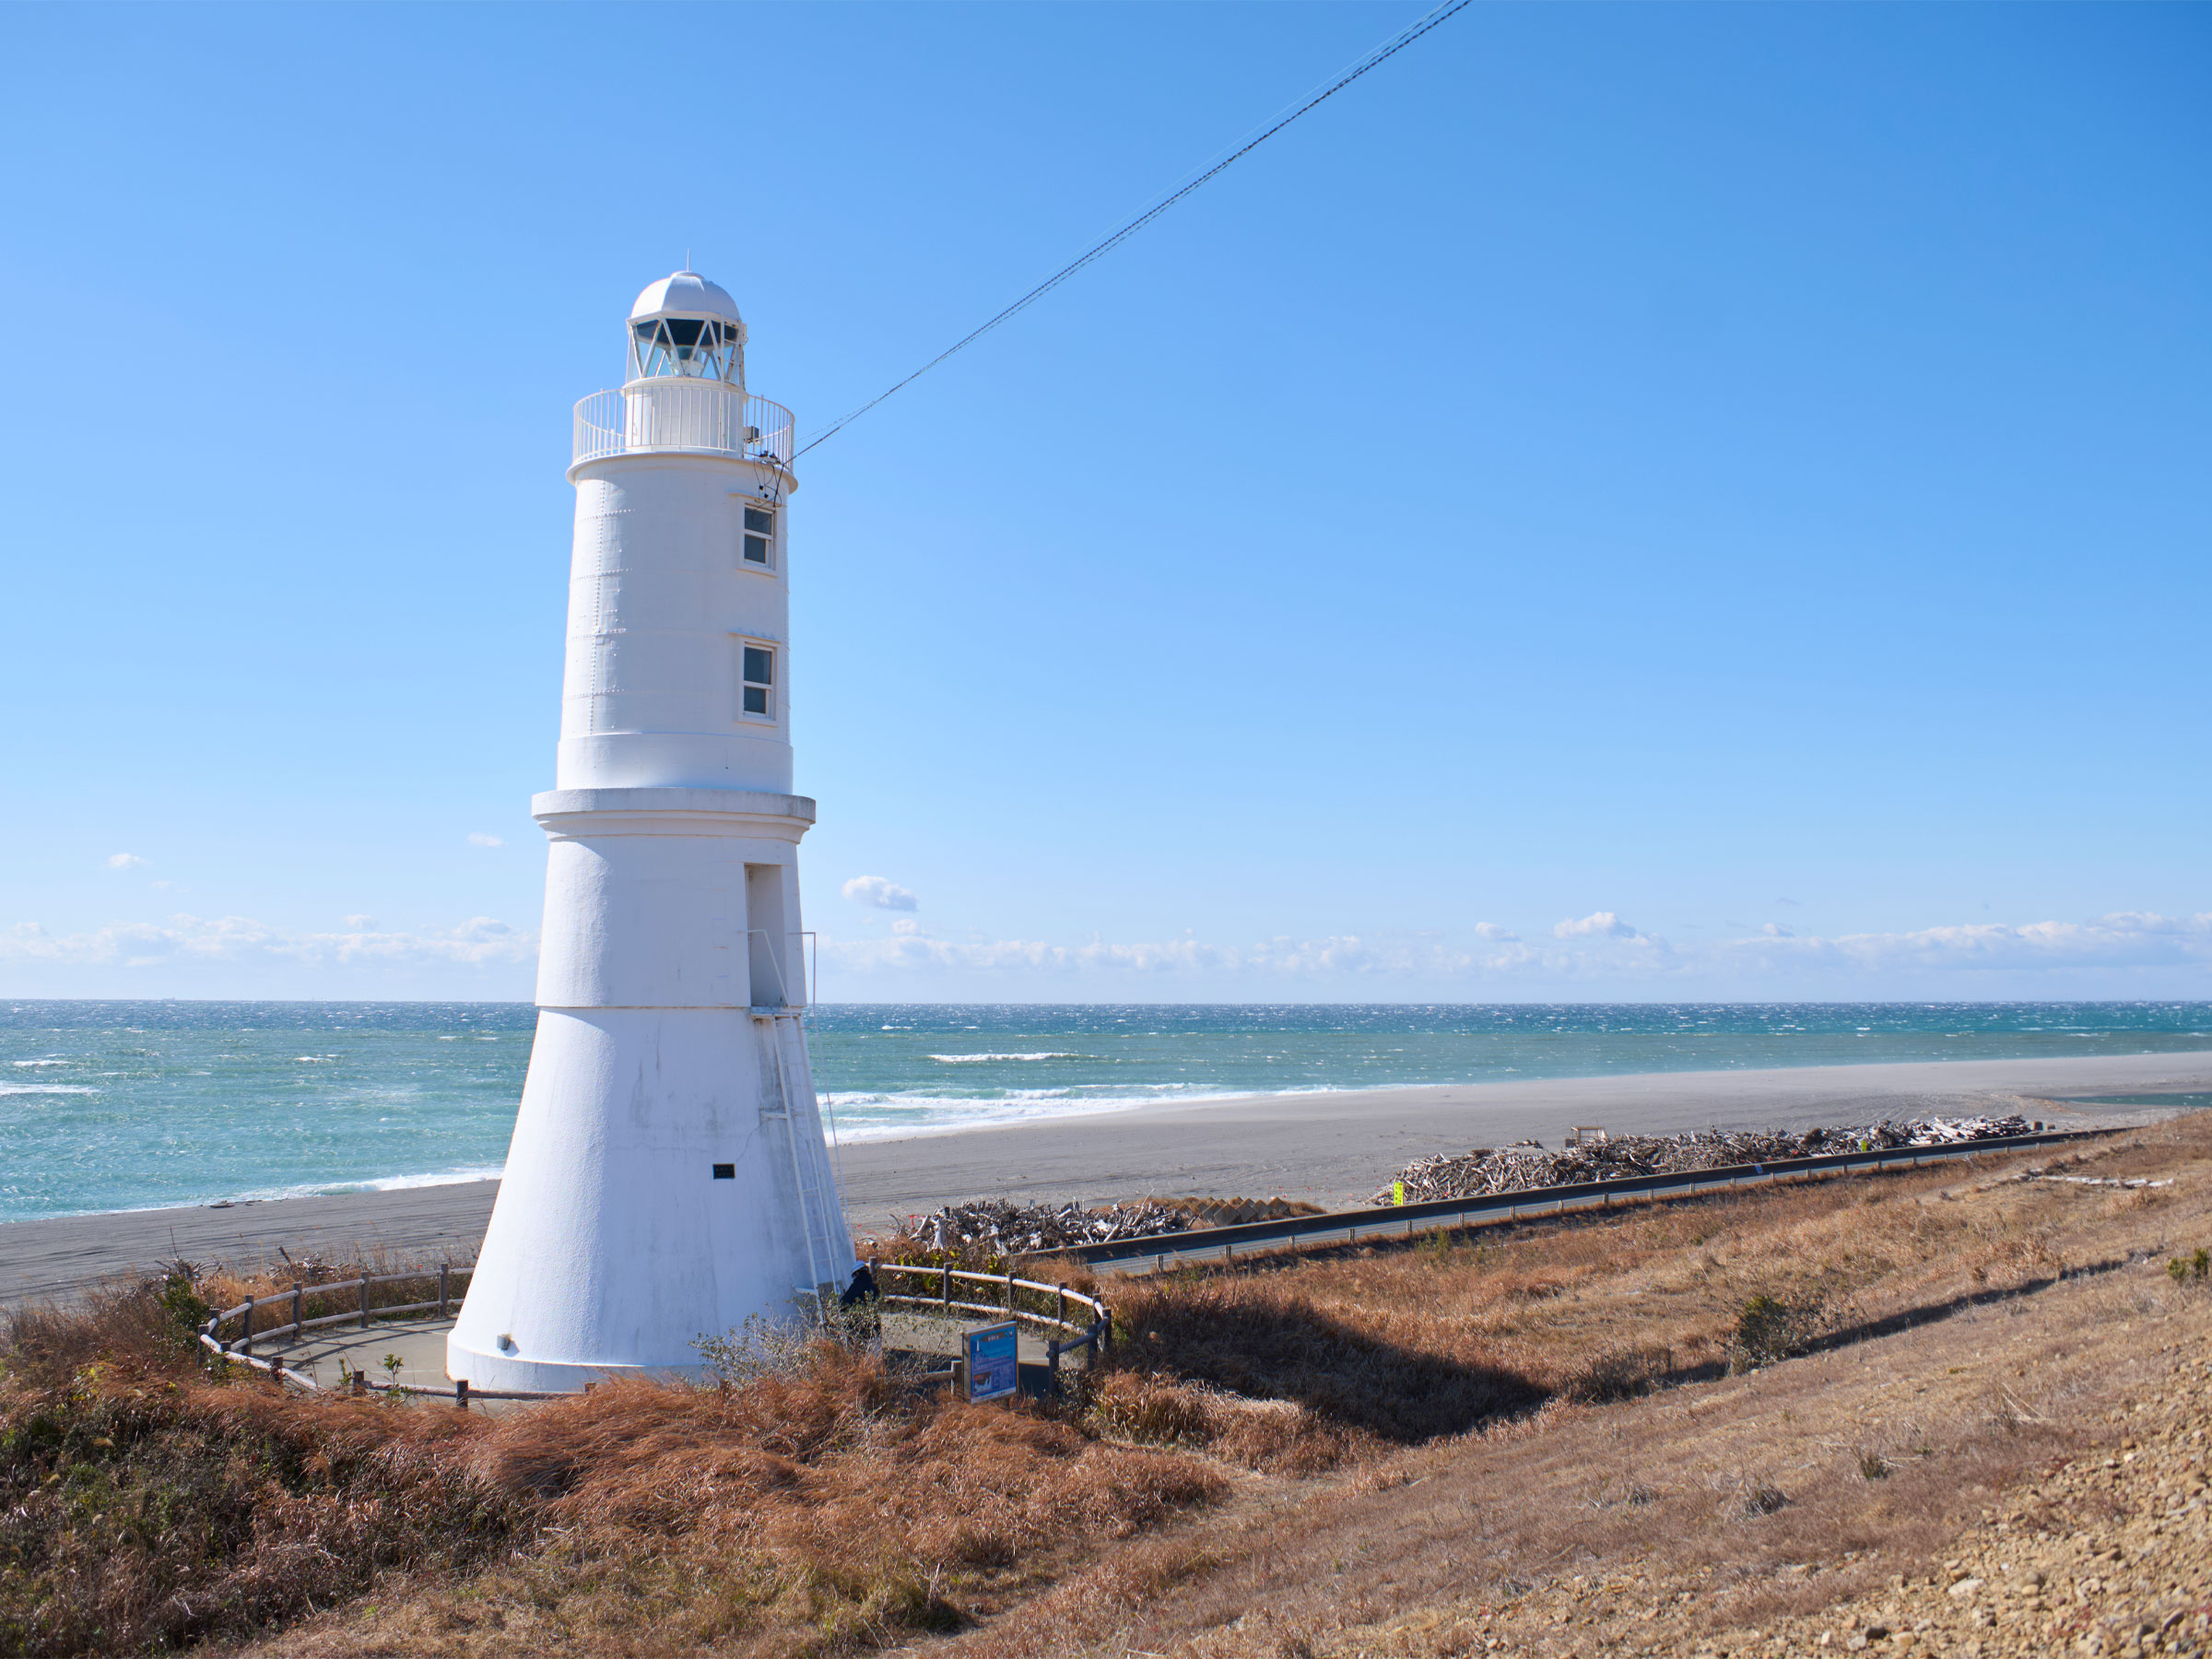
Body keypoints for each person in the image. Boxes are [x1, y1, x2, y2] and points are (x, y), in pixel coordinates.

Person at [838, 1258, 881, 1339]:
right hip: (875, 1327)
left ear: (857, 1273)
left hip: (861, 1328)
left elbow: (844, 1303)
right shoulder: (874, 1286)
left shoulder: (856, 1286)